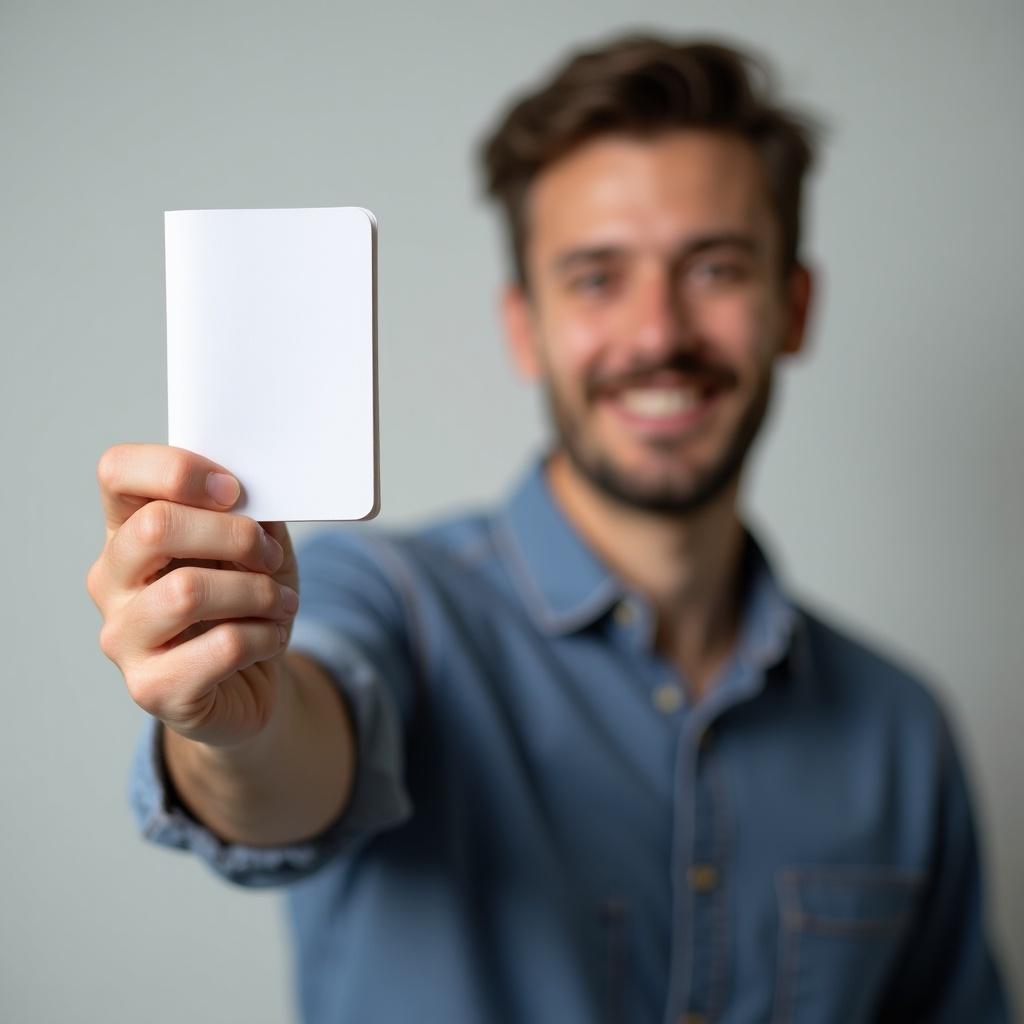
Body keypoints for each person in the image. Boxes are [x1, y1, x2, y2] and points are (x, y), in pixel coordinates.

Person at [87, 32, 1012, 1024]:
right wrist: (232, 733)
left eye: (713, 269)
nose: (657, 334)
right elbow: (287, 759)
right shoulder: (383, 597)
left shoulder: (900, 732)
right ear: (523, 325)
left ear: (792, 307)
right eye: (597, 277)